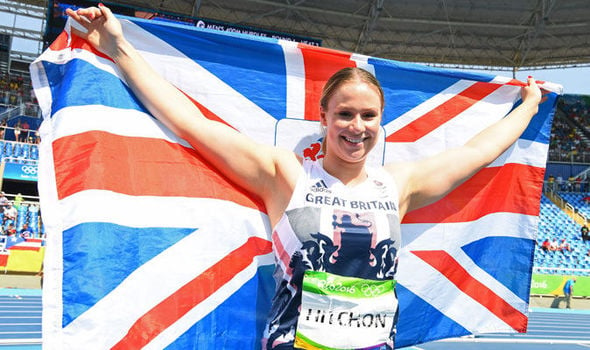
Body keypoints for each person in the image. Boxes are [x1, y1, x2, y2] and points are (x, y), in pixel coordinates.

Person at [67, 5, 543, 349]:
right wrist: (119, 47)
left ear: (381, 122)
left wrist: (529, 108)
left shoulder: (399, 185)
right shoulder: (285, 176)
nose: (356, 127)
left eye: (368, 116)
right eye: (345, 114)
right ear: (323, 119)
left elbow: (480, 152)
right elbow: (193, 124)